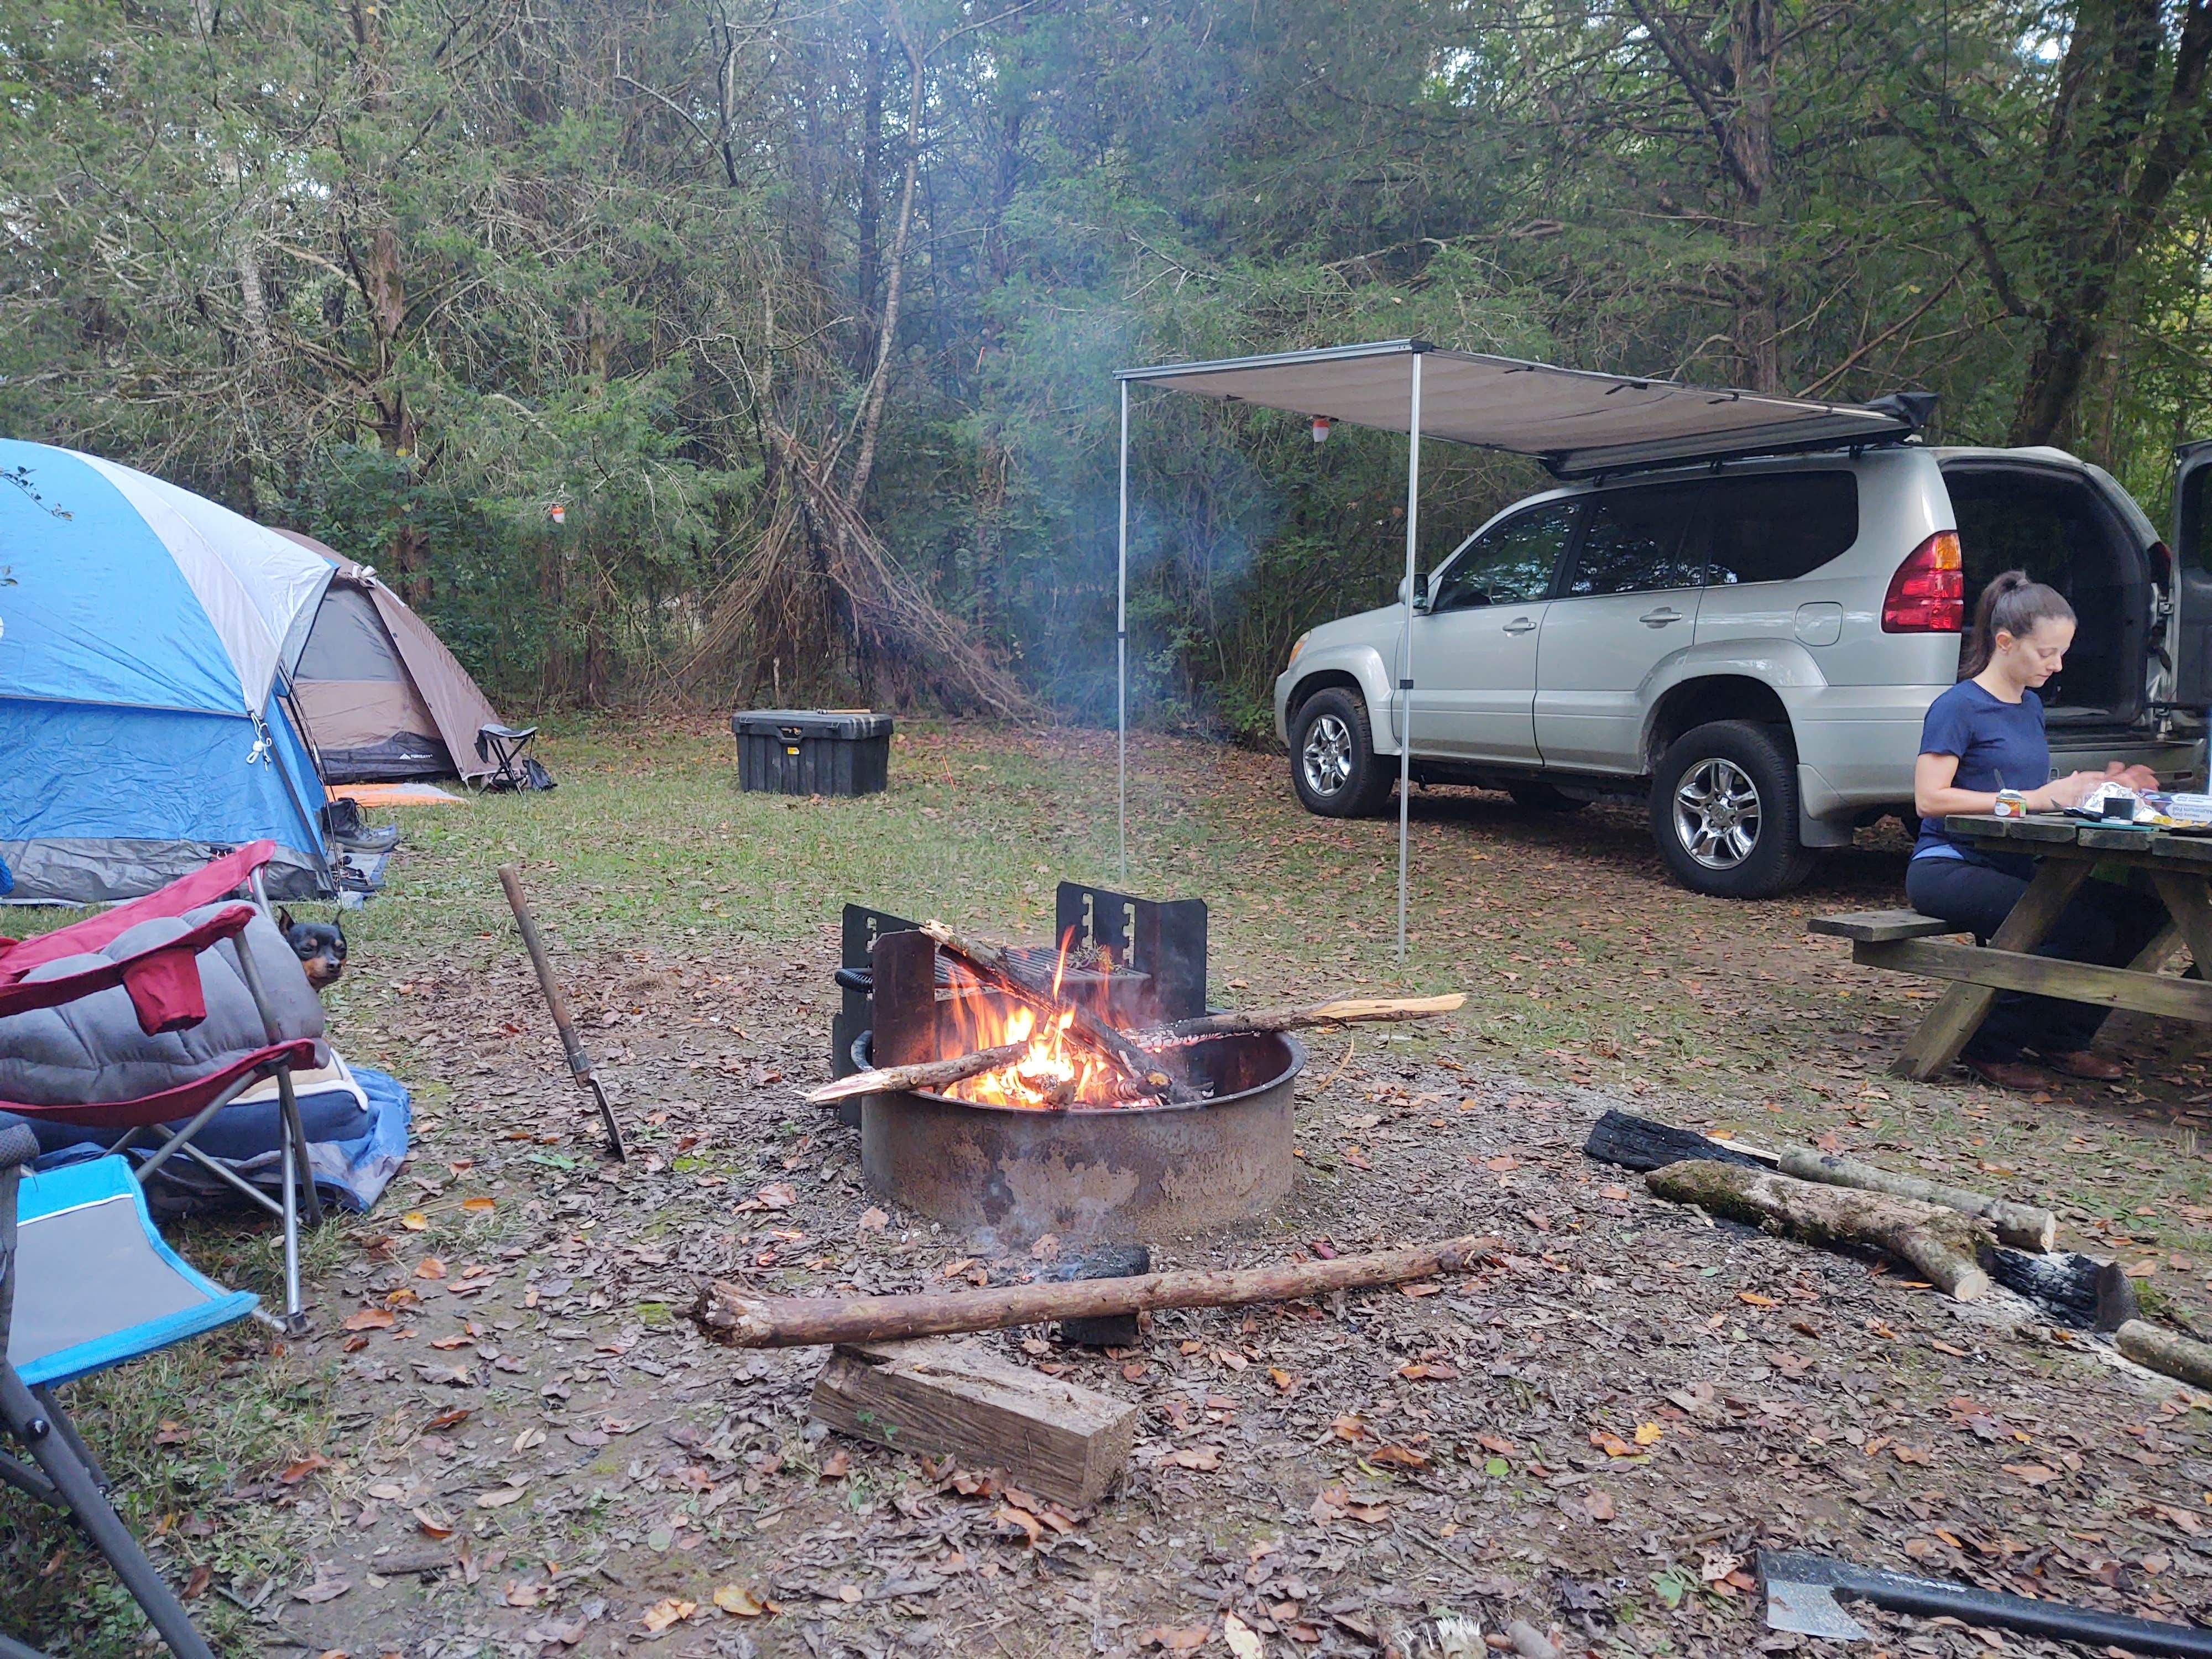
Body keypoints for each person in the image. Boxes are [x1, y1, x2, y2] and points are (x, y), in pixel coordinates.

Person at [1905, 570, 2166, 1091]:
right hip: (1949, 866)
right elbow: (1929, 799)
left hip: (2015, 863)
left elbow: (2033, 795)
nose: (2058, 664)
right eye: (2047, 652)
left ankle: (2059, 1037)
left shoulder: (2029, 705)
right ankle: (1987, 1044)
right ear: (2005, 643)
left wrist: (2098, 792)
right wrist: (2029, 801)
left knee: (2144, 914)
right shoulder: (1957, 707)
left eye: (2063, 651)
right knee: (2077, 929)